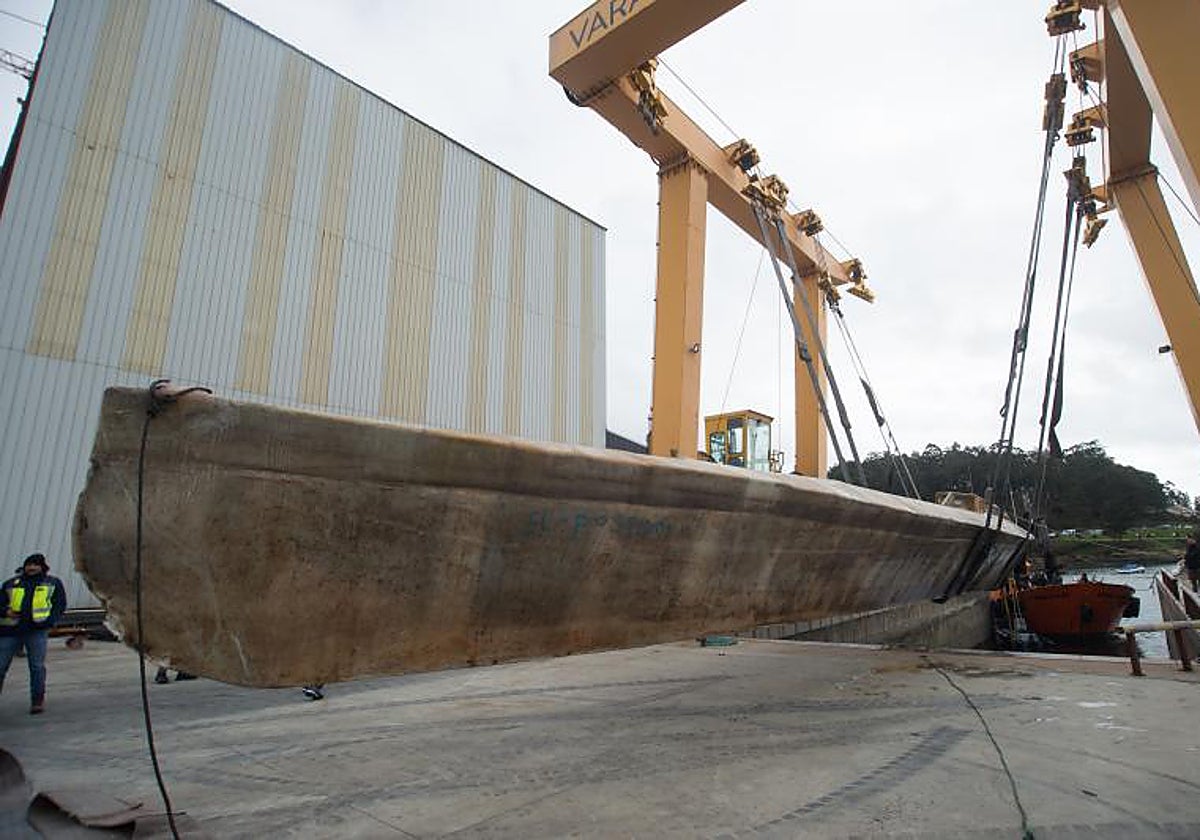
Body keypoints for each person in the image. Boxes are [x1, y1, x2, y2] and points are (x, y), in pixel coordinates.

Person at [1, 554, 67, 714]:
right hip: (10, 631)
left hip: (36, 631)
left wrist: (49, 621)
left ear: (42, 567)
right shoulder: (11, 584)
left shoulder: (52, 583)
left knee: (36, 667)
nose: (31, 568)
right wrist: (5, 611)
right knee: (1, 667)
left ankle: (37, 701)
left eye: (35, 565)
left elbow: (59, 604)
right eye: (29, 565)